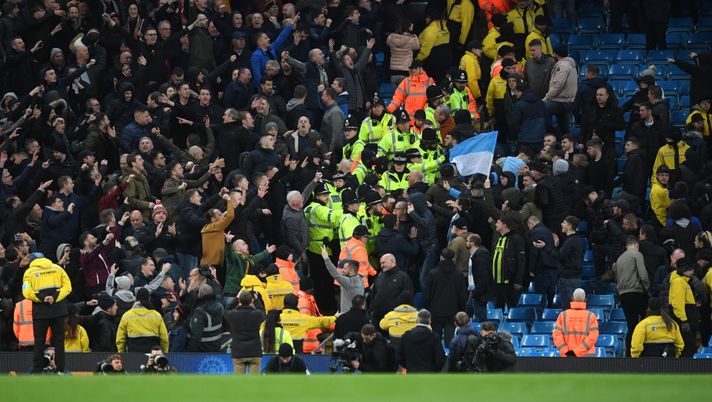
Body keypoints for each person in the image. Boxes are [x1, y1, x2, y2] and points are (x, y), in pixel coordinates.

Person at [22, 253, 72, 373]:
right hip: (58, 310)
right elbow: (68, 287)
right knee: (59, 342)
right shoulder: (57, 268)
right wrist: (54, 297)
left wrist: (42, 297)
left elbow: (26, 291)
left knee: (39, 342)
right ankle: (60, 370)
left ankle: (38, 371)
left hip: (40, 312)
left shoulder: (29, 272)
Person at [614, 236, 651, 356]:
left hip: (623, 295)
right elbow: (643, 274)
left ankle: (630, 354)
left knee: (631, 325)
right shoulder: (637, 254)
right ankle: (645, 352)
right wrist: (647, 287)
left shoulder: (619, 259)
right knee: (645, 323)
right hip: (637, 292)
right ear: (637, 245)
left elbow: (617, 279)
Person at [423, 249, 467, 346]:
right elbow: (462, 295)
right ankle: (449, 360)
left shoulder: (432, 273)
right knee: (450, 343)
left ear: (441, 257)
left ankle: (437, 360)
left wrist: (427, 308)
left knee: (435, 342)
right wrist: (461, 309)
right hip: (452, 312)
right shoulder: (458, 274)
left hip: (435, 312)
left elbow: (427, 295)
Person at [224, 291, 266, 375]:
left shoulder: (233, 315)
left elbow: (226, 310)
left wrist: (236, 298)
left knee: (240, 384)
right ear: (251, 301)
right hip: (254, 352)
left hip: (238, 353)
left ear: (239, 301)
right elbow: (263, 312)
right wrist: (257, 300)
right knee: (254, 383)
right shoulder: (257, 315)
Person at [116, 288, 169, 353]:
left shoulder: (127, 315)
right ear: (149, 299)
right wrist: (164, 352)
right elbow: (164, 338)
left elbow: (120, 338)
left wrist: (121, 353)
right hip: (153, 352)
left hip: (133, 352)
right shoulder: (156, 315)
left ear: (136, 299)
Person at [552, 288, 599, 357]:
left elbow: (556, 335)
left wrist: (566, 351)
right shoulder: (591, 316)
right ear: (585, 300)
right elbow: (593, 337)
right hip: (586, 356)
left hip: (567, 356)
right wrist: (576, 352)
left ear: (572, 299)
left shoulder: (563, 315)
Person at [668, 257, 700, 357]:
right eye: (690, 269)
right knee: (687, 347)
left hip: (688, 321)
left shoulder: (683, 282)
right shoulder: (678, 282)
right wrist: (684, 321)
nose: (692, 272)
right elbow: (677, 304)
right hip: (685, 322)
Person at [370, 254, 414, 327]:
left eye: (383, 263)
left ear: (392, 261)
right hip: (378, 319)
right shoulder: (379, 278)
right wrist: (371, 311)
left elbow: (409, 297)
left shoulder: (403, 277)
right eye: (381, 263)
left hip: (396, 320)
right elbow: (373, 295)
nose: (381, 266)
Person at [322, 245, 364, 312]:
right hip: (357, 314)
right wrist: (349, 255)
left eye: (345, 268)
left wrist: (326, 258)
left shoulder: (348, 283)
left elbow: (335, 274)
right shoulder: (359, 278)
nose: (342, 270)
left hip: (347, 316)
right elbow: (351, 266)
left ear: (351, 271)